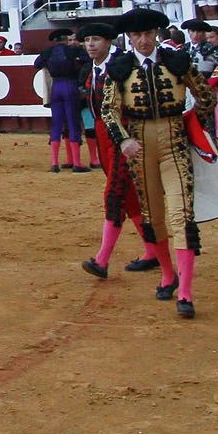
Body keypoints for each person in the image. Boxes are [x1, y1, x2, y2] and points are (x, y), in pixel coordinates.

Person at [100, 7, 217, 319]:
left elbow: (207, 97)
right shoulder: (120, 67)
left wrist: (192, 126)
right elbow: (108, 110)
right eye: (136, 35)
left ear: (157, 34)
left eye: (148, 34)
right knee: (153, 217)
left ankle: (186, 293)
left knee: (181, 216)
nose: (143, 41)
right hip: (139, 147)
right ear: (129, 37)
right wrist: (123, 139)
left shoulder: (177, 62)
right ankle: (168, 274)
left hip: (174, 143)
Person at [75, 19, 158, 280]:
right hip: (104, 136)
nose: (90, 44)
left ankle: (102, 259)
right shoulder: (92, 69)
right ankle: (152, 251)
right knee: (128, 196)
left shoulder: (121, 66)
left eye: (96, 40)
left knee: (115, 193)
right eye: (87, 41)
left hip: (123, 136)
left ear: (109, 42)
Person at [34, 29, 92, 172]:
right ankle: (77, 163)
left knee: (57, 124)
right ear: (66, 40)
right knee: (73, 123)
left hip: (56, 87)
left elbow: (37, 64)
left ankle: (54, 163)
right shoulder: (73, 51)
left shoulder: (48, 52)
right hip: (70, 85)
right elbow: (88, 60)